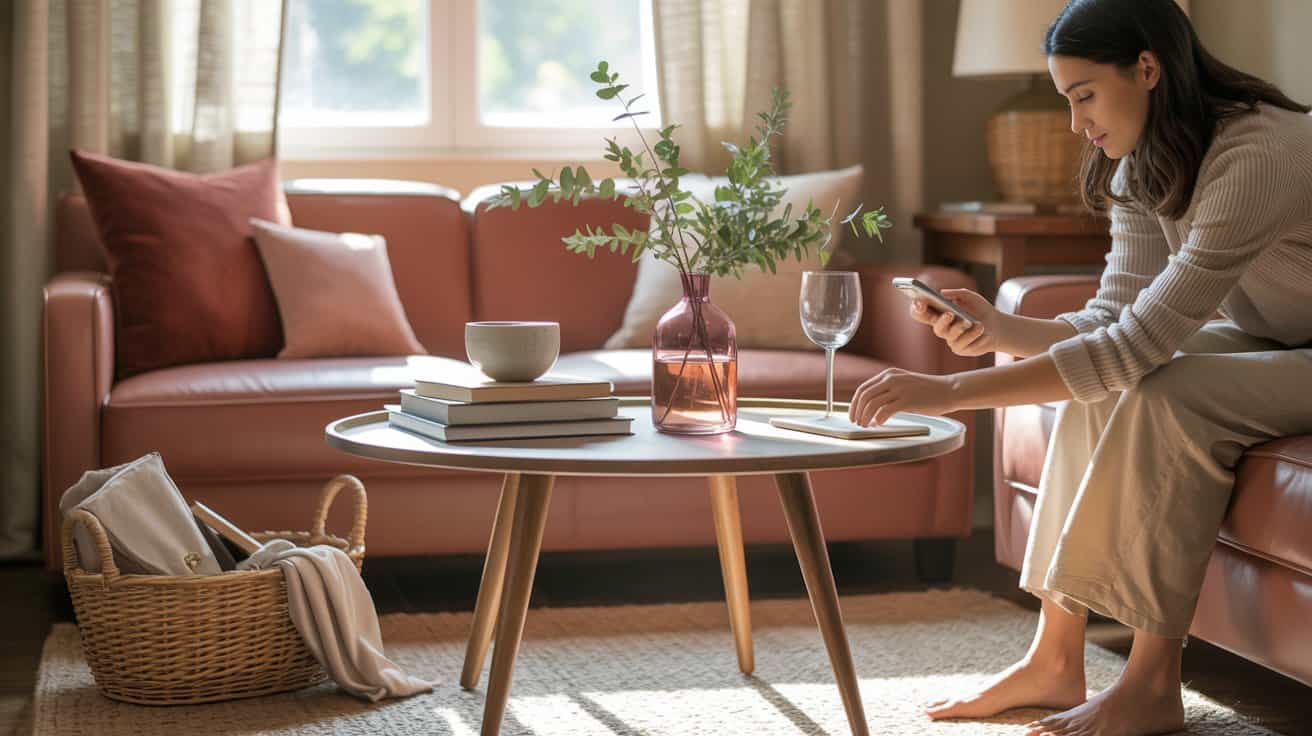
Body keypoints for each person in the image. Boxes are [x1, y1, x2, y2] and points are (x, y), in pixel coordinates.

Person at [846, 1, 1312, 734]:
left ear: (1147, 69)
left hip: (1294, 346)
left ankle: (1151, 685)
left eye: (1084, 95)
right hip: (1284, 339)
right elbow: (1112, 320)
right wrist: (998, 328)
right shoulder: (1148, 157)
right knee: (1105, 388)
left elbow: (1132, 349)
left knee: (1166, 393)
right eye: (1067, 100)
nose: (1075, 123)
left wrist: (948, 390)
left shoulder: (1257, 154)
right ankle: (1055, 658)